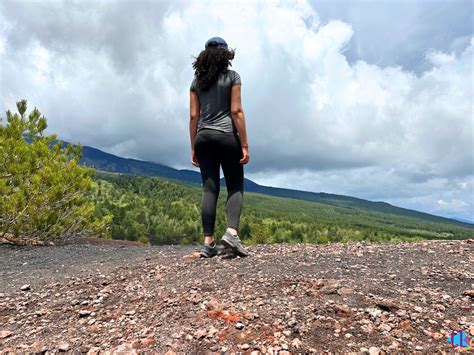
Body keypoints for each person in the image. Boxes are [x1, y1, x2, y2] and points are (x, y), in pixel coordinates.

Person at [189, 36, 250, 258]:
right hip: (226, 137)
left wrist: (193, 146)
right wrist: (244, 144)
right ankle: (231, 233)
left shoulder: (197, 82)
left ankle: (208, 243)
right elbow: (236, 112)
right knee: (234, 186)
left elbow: (194, 116)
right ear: (226, 55)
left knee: (209, 188)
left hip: (203, 137)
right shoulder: (233, 77)